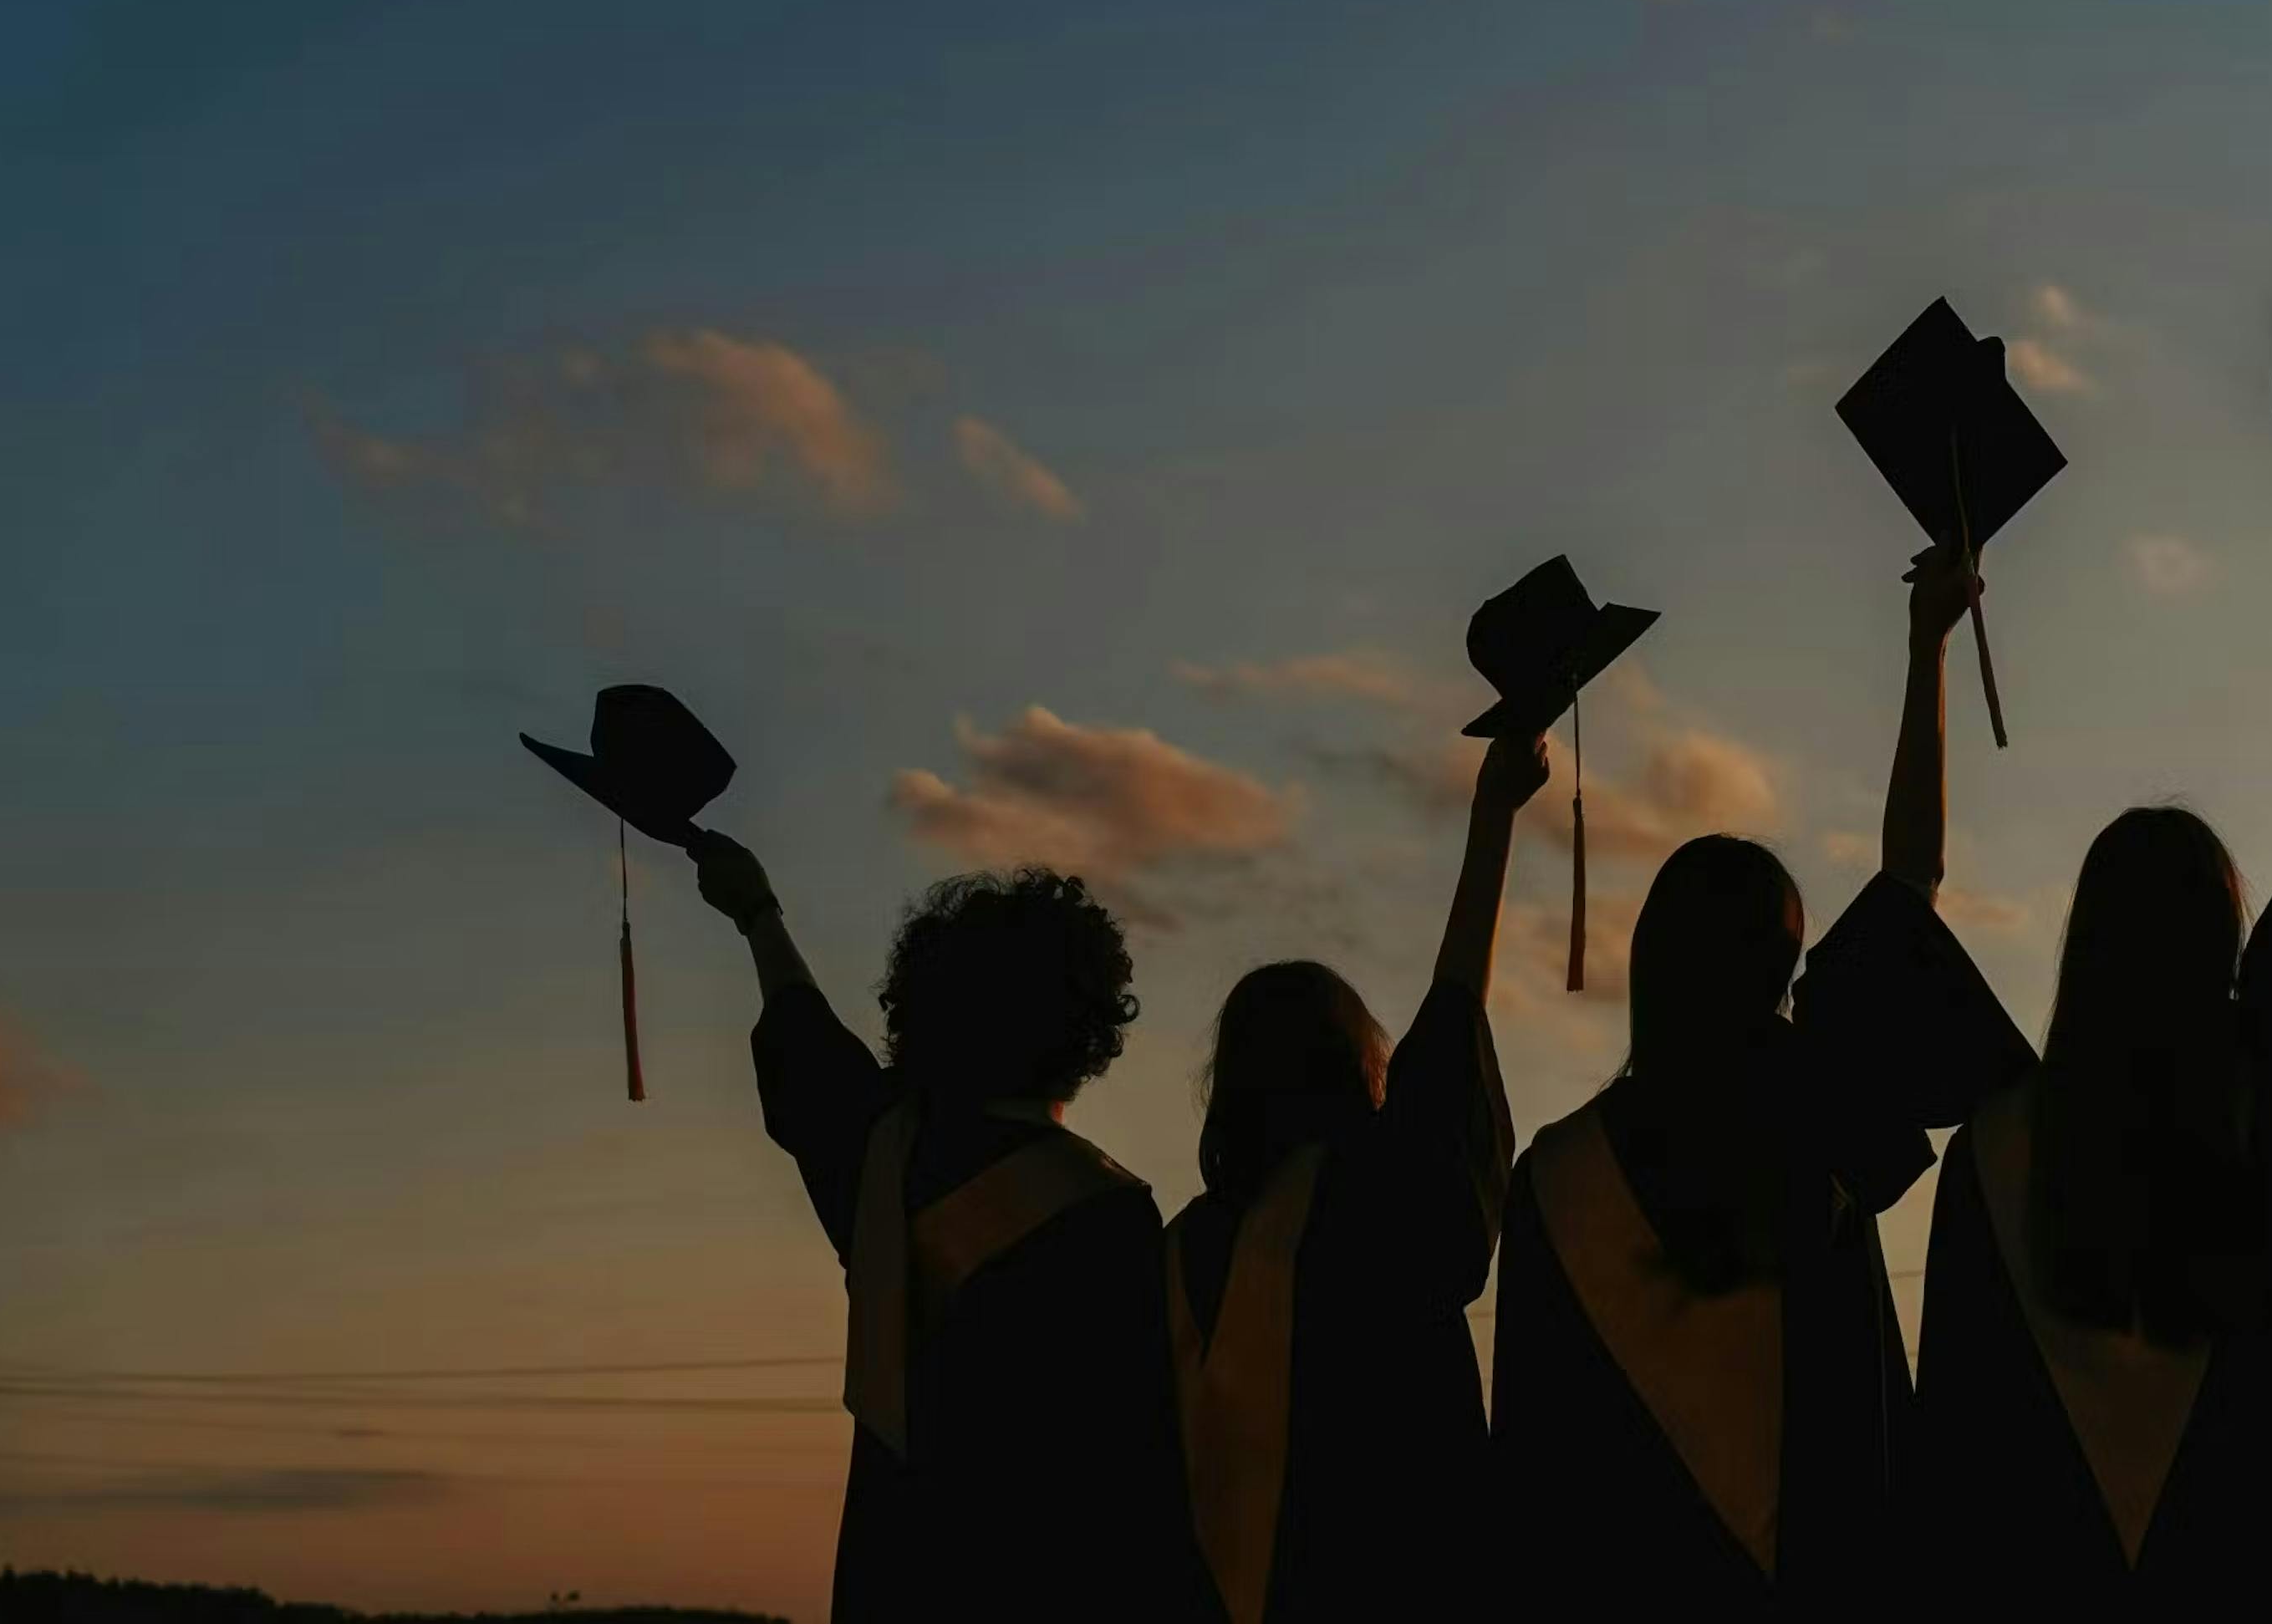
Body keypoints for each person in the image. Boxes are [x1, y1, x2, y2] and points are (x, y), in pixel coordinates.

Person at [1910, 516, 2272, 1615]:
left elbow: (1954, 1449)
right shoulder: (2269, 1108)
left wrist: (1924, 647)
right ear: (2225, 947)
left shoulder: (1992, 1150)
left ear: (2083, 944)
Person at [1490, 547, 2033, 1622]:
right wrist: (1925, 650)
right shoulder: (1816, 1100)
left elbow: (1530, 1467)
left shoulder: (1556, 1176)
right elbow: (1908, 883)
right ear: (1784, 972)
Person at [690, 835, 1214, 1622]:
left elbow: (806, 1046)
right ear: (1089, 1026)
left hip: (894, 1577)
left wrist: (757, 911)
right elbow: (1142, 1475)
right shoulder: (1109, 1217)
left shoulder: (883, 1157)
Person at [1160, 724, 1550, 1624]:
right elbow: (1453, 1021)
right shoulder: (1373, 1193)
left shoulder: (1182, 1248)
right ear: (1357, 1068)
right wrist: (1492, 820)